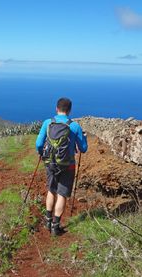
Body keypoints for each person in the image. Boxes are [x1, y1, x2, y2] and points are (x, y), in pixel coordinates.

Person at [35, 98, 88, 236]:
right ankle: (55, 226)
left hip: (50, 164)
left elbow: (39, 143)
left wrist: (42, 153)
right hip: (68, 165)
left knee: (51, 191)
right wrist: (84, 138)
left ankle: (47, 220)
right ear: (69, 110)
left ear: (56, 108)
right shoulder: (75, 126)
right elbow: (83, 148)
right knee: (62, 194)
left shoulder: (48, 123)